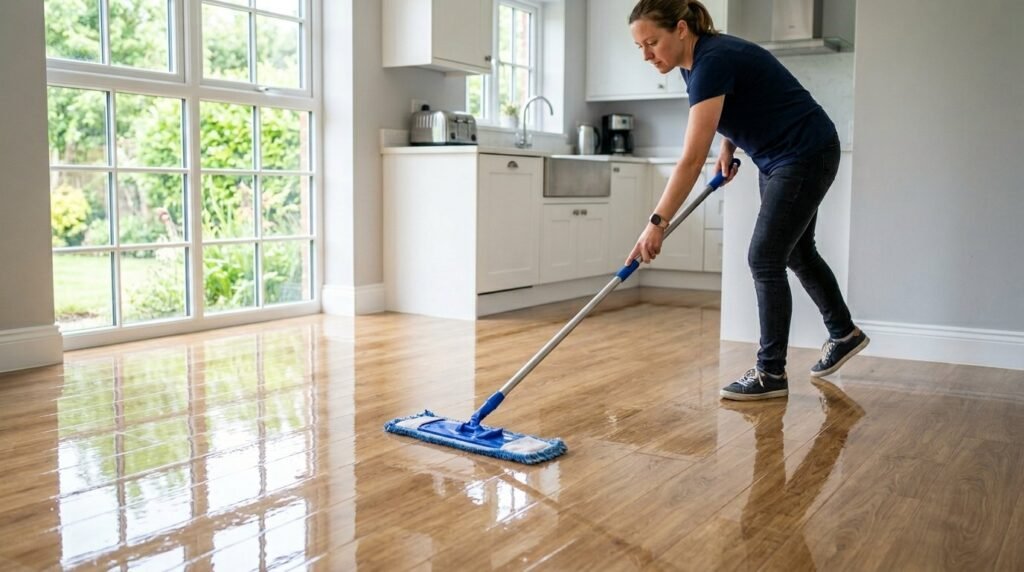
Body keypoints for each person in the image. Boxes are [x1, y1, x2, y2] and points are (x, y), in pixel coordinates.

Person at [625, 0, 869, 400]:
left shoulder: (711, 61)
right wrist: (729, 145)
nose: (647, 55)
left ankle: (770, 373)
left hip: (803, 152)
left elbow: (689, 161)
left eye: (652, 42)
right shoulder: (695, 65)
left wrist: (657, 222)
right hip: (779, 156)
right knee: (796, 252)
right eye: (640, 47)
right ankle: (843, 333)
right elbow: (737, 102)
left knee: (765, 257)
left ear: (681, 30)